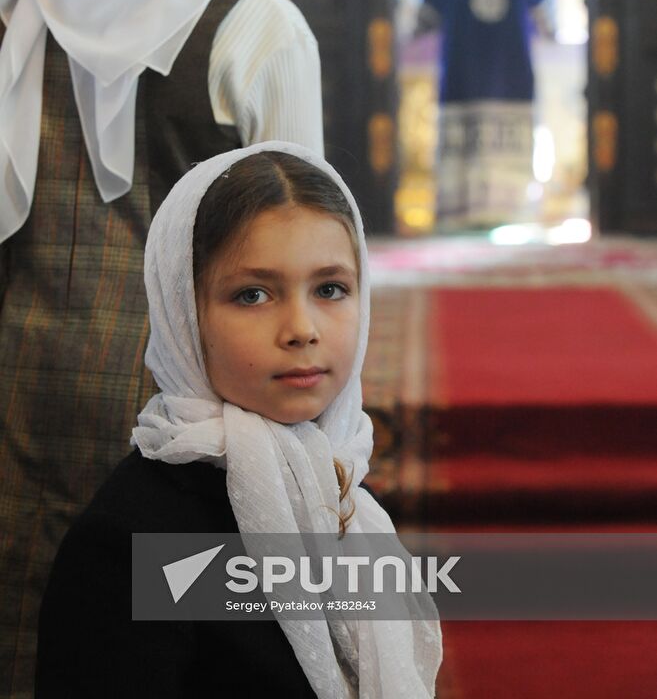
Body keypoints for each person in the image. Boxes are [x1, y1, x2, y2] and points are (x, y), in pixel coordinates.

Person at [0, 0, 322, 698]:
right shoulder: (254, 28)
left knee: (30, 641)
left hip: (16, 389)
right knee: (174, 654)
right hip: (185, 417)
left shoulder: (15, 8)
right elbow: (307, 259)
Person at [35, 142, 442, 698]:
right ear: (185, 314)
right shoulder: (133, 543)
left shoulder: (336, 488)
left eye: (330, 289)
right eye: (252, 295)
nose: (301, 328)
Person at [419, 0, 555, 230]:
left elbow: (426, 5)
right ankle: (513, 211)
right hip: (511, 61)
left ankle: (461, 211)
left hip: (463, 61)